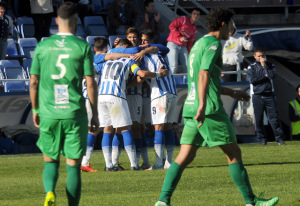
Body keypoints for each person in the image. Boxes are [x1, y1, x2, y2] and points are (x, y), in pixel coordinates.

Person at [155, 8, 279, 206]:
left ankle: (162, 200)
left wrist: (232, 93)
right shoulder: (213, 44)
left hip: (190, 107)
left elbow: (203, 80)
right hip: (209, 110)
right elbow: (203, 74)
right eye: (231, 23)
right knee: (234, 154)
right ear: (223, 24)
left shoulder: (198, 45)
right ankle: (251, 201)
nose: (232, 27)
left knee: (184, 156)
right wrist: (203, 106)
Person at [29, 2, 99, 206]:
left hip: (49, 112)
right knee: (73, 166)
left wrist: (35, 109)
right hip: (74, 113)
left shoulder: (43, 46)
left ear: (57, 20)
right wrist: (94, 114)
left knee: (50, 160)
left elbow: (33, 81)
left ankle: (50, 192)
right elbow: (90, 82)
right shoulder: (83, 47)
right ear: (76, 22)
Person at [97, 38, 169, 170]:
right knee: (126, 128)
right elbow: (141, 74)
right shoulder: (129, 60)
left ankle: (108, 165)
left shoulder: (106, 61)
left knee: (107, 130)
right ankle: (134, 165)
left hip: (101, 97)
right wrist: (159, 74)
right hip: (115, 96)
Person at [247, 48, 286, 146]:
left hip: (269, 95)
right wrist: (264, 76)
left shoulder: (269, 65)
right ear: (254, 56)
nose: (261, 58)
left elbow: (272, 76)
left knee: (274, 119)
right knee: (259, 119)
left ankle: (279, 139)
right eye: (259, 56)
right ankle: (261, 140)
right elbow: (253, 80)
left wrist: (264, 67)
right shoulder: (251, 67)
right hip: (257, 96)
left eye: (262, 56)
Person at [166, 8, 200, 74]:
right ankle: (170, 83)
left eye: (198, 15)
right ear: (191, 14)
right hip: (173, 44)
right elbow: (171, 26)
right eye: (194, 14)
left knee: (187, 68)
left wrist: (189, 53)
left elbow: (190, 43)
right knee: (174, 67)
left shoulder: (194, 29)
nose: (196, 16)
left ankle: (183, 84)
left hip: (183, 47)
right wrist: (179, 37)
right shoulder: (183, 19)